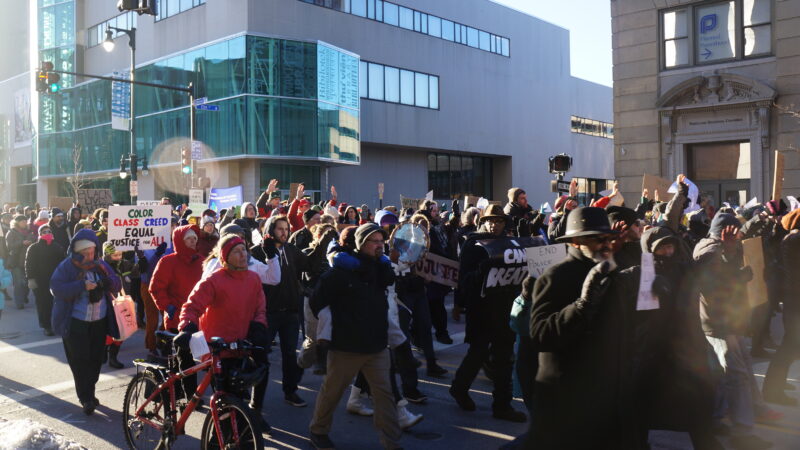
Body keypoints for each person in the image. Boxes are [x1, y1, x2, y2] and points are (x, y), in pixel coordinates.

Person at [526, 206, 640, 449]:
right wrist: (581, 305)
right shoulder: (556, 276)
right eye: (597, 239)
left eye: (608, 238)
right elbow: (540, 334)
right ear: (577, 242)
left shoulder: (611, 271)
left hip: (608, 399)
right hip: (569, 403)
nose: (606, 244)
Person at [308, 223, 402, 450]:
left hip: (377, 347)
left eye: (382, 241)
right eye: (374, 242)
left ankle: (391, 443)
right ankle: (318, 432)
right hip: (345, 348)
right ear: (361, 244)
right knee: (332, 393)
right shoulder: (339, 274)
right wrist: (322, 335)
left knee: (385, 396)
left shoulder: (381, 269)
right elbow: (315, 302)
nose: (380, 246)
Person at [693, 213, 774, 449]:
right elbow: (713, 285)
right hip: (718, 324)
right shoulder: (709, 251)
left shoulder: (722, 247)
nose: (739, 237)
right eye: (735, 233)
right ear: (724, 232)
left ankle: (718, 419)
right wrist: (737, 271)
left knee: (731, 373)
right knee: (736, 374)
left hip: (727, 322)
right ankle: (742, 432)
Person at [174, 235, 269, 428]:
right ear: (225, 257)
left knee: (255, 377)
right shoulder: (214, 280)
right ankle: (220, 439)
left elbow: (260, 309)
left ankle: (252, 418)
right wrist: (187, 327)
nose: (243, 254)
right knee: (224, 405)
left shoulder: (254, 279)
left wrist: (259, 326)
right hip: (217, 349)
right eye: (237, 251)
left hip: (241, 345)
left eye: (244, 249)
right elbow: (191, 306)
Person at [450, 204, 527, 423]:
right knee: (478, 353)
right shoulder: (473, 243)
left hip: (505, 308)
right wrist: (480, 271)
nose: (494, 224)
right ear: (482, 221)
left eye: (499, 221)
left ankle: (502, 405)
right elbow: (462, 281)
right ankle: (459, 388)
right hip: (481, 309)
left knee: (504, 358)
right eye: (490, 220)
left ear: (505, 223)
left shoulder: (510, 244)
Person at [50, 229, 121, 415]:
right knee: (80, 361)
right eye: (85, 253)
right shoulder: (67, 266)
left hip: (99, 320)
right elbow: (56, 288)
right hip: (75, 322)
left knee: (97, 359)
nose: (89, 256)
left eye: (91, 252)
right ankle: (86, 398)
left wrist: (107, 283)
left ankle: (89, 391)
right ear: (76, 252)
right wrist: (81, 286)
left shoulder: (101, 265)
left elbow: (117, 283)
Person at [250, 215, 315, 408]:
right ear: (270, 230)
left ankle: (291, 391)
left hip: (290, 312)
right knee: (259, 356)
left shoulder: (291, 250)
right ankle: (255, 400)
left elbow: (309, 264)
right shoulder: (257, 252)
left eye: (286, 229)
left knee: (289, 354)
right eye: (280, 229)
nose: (284, 232)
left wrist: (320, 245)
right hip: (267, 312)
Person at [149, 224, 204, 394]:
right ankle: (188, 395)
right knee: (185, 359)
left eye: (195, 238)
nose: (193, 241)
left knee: (207, 360)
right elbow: (156, 288)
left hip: (201, 317)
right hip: (177, 317)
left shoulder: (202, 261)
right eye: (189, 238)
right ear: (180, 240)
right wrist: (166, 306)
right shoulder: (168, 261)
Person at [763, 208, 800, 406]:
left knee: (791, 347)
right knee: (789, 347)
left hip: (794, 300)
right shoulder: (794, 240)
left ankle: (775, 387)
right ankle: (772, 390)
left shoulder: (791, 239)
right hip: (796, 301)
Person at [25, 224, 65, 336]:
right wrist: (30, 279)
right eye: (44, 232)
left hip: (55, 280)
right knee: (44, 304)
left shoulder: (57, 247)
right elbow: (29, 265)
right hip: (40, 282)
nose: (47, 233)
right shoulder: (33, 248)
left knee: (57, 304)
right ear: (40, 234)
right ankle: (46, 326)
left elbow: (63, 263)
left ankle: (57, 324)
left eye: (49, 231)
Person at [5, 215, 34, 309]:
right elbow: (9, 246)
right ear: (17, 222)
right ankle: (19, 303)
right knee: (18, 283)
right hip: (16, 261)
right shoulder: (11, 232)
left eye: (26, 221)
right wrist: (21, 243)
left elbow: (34, 241)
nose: (25, 223)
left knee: (26, 283)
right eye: (23, 221)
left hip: (28, 260)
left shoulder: (29, 232)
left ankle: (24, 296)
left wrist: (31, 242)